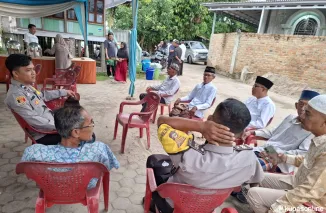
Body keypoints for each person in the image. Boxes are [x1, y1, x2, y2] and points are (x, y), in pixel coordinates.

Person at [150, 98, 264, 212]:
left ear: (209, 120)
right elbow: (255, 182)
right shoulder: (250, 159)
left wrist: (200, 126)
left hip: (173, 206)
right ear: (242, 134)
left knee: (154, 161)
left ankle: (152, 204)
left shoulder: (185, 152)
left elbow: (162, 121)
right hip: (208, 208)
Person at [247, 94, 326, 213]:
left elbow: (309, 191)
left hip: (312, 202)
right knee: (256, 175)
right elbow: (308, 159)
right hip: (295, 180)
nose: (302, 116)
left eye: (308, 114)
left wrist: (278, 207)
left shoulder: (322, 147)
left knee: (254, 194)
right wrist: (284, 158)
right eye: (302, 108)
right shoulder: (317, 137)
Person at [21, 105, 119, 189]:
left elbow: (25, 169)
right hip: (85, 187)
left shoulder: (35, 152)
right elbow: (106, 168)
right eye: (91, 123)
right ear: (76, 132)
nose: (93, 126)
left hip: (51, 189)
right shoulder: (99, 149)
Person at [4, 54, 75, 145]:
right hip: (44, 134)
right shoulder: (16, 95)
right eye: (28, 70)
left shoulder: (25, 86)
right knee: (86, 135)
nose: (33, 73)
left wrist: (63, 92)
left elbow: (41, 95)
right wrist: (60, 126)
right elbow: (33, 119)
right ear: (16, 73)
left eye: (33, 69)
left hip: (50, 120)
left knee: (76, 117)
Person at [247, 90, 319, 173]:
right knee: (236, 156)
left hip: (279, 162)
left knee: (246, 167)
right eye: (301, 104)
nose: (303, 109)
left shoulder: (312, 130)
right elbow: (272, 133)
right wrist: (253, 132)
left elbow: (301, 153)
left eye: (307, 107)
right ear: (296, 105)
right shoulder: (290, 117)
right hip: (263, 150)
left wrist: (274, 153)